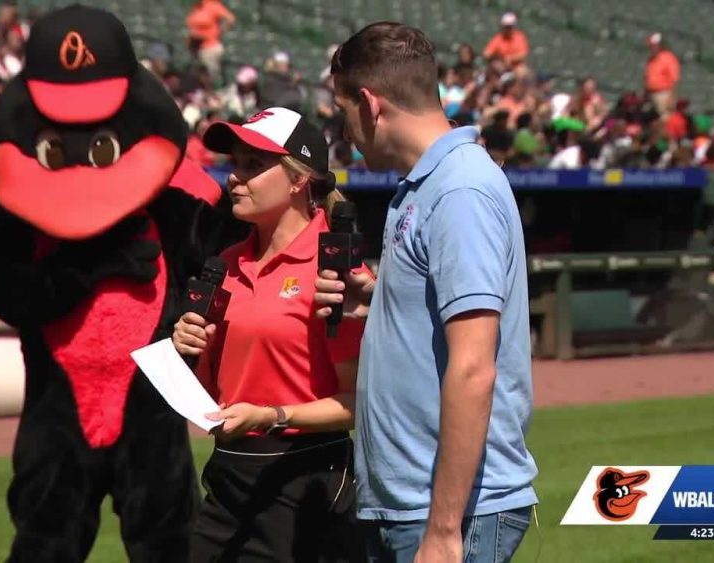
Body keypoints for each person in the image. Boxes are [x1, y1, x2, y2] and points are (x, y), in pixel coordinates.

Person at [317, 22, 538, 563]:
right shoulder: (427, 181)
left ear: (370, 104)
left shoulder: (460, 187)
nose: (343, 131)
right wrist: (379, 299)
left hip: (448, 514)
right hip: (409, 506)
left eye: (344, 109)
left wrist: (442, 531)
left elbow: (473, 367)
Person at [173, 107, 368, 562]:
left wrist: (271, 415)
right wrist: (189, 349)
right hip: (230, 474)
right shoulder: (226, 263)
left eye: (253, 166)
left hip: (307, 484)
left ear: (299, 178)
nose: (234, 178)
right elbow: (217, 393)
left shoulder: (336, 272)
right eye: (234, 164)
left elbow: (356, 402)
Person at [185, 0, 235, 78]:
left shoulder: (212, 4)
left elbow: (230, 18)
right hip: (196, 50)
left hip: (210, 48)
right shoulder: (195, 7)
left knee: (209, 78)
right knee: (197, 78)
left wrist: (219, 32)